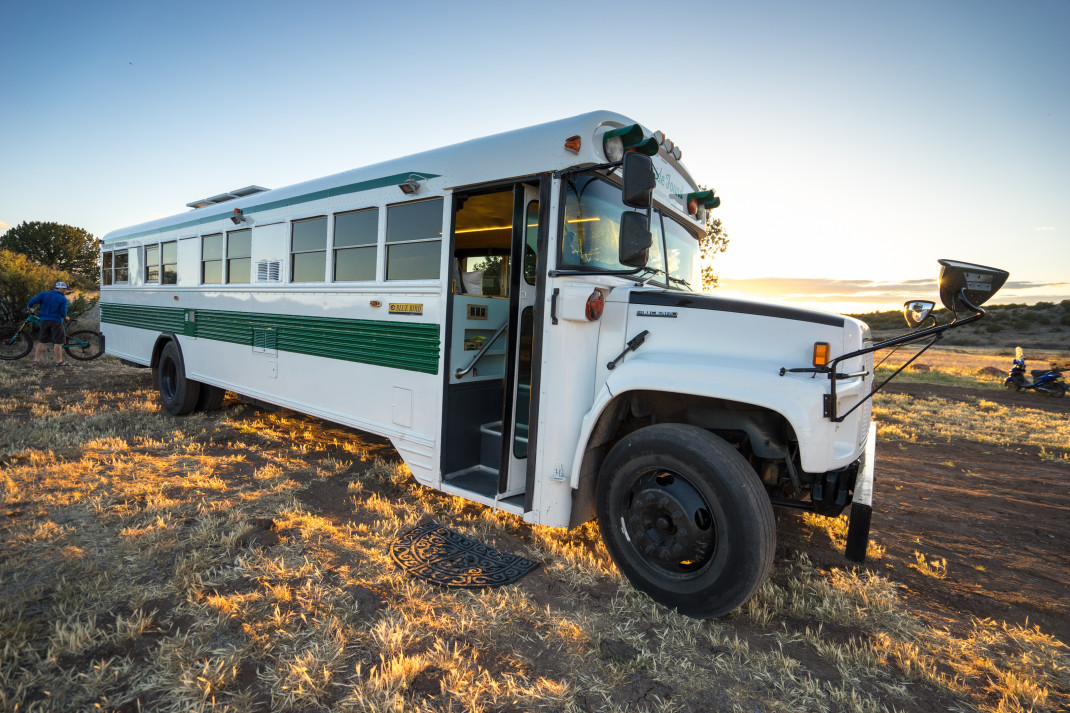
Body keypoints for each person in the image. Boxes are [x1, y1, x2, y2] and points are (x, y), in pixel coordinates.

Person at [27, 281, 71, 366]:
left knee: (42, 341)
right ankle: (59, 361)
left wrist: (29, 308)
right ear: (61, 289)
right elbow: (63, 313)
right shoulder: (63, 299)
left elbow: (32, 301)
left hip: (44, 321)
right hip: (56, 322)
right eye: (66, 290)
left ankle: (36, 361)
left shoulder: (43, 294)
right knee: (58, 342)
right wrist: (66, 318)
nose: (66, 291)